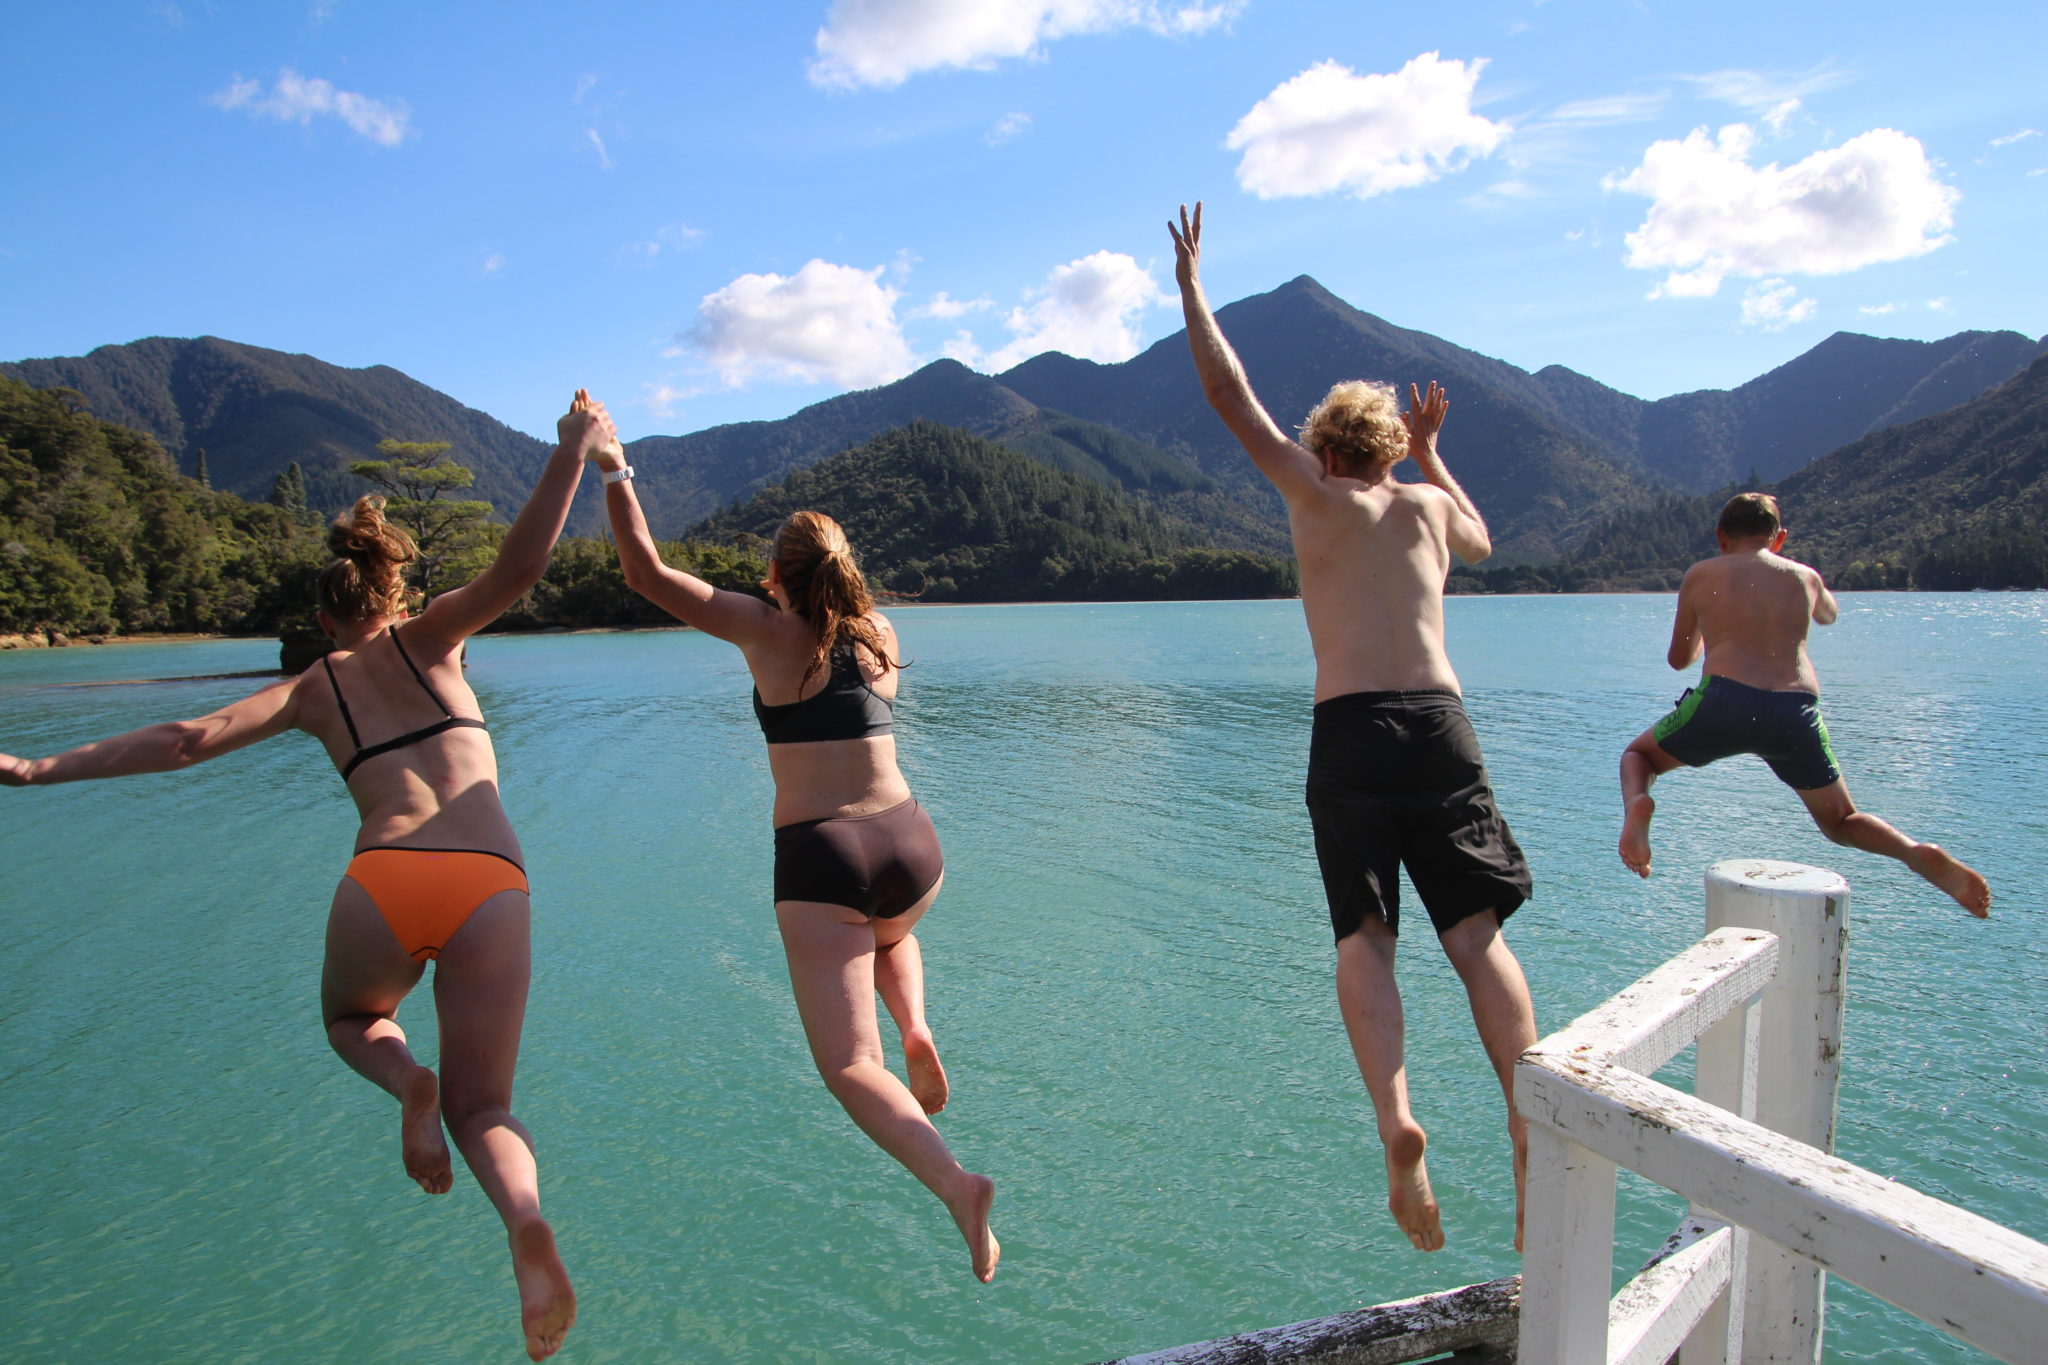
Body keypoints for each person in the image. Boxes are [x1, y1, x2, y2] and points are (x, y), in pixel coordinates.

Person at [0, 391, 618, 1361]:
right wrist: (573, 451)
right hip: (490, 877)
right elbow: (522, 565)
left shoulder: (309, 688)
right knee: (487, 1107)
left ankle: (405, 1078)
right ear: (394, 601)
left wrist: (36, 768)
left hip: (385, 875)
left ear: (326, 620)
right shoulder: (431, 643)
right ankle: (524, 1221)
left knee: (348, 1021)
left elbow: (182, 739)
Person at [1168, 203, 1538, 1254]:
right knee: (1474, 937)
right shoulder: (1424, 507)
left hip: (1348, 730)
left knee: (1363, 938)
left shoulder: (1308, 495)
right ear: (1390, 450)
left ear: (1323, 449)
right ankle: (1524, 1117)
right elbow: (1480, 538)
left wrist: (1192, 289)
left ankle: (1395, 1118)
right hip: (1439, 720)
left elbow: (1226, 396)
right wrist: (1432, 454)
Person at [589, 427, 998, 1283]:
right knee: (891, 933)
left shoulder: (764, 631)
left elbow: (646, 573)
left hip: (823, 856)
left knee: (853, 1066)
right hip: (912, 844)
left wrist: (615, 469)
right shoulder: (879, 633)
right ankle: (917, 1021)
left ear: (776, 574)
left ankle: (956, 1186)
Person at [1618, 491, 1991, 916]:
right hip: (1795, 711)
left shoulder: (1702, 574)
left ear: (1721, 536)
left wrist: (1711, 629)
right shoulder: (1804, 576)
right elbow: (1828, 614)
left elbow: (1679, 659)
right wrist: (1801, 583)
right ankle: (1911, 851)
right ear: (1780, 538)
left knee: (1639, 756)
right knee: (1840, 822)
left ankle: (1638, 807)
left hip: (1724, 701)